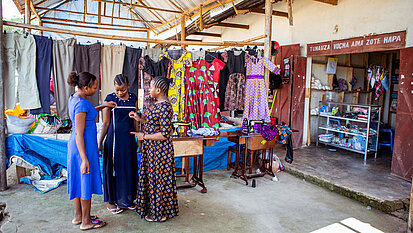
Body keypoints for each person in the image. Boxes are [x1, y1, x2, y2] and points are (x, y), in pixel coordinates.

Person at [67, 71, 116, 230]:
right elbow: (79, 133)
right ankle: (86, 222)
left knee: (78, 182)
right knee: (84, 183)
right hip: (83, 148)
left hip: (77, 147)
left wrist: (104, 106)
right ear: (86, 87)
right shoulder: (81, 104)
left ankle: (79, 216)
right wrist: (84, 159)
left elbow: (87, 111)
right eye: (94, 88)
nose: (96, 90)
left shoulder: (76, 98)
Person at [129, 76, 179, 222]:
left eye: (150, 87)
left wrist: (143, 136)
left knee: (159, 180)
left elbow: (164, 134)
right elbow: (153, 123)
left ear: (158, 90)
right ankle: (155, 209)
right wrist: (139, 119)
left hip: (160, 151)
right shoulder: (158, 104)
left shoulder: (165, 107)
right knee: (152, 179)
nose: (148, 90)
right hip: (152, 149)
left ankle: (161, 213)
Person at [99, 74, 138, 214]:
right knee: (114, 169)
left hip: (128, 140)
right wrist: (100, 142)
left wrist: (138, 137)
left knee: (128, 168)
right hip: (114, 140)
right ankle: (111, 201)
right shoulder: (109, 99)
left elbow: (135, 120)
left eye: (122, 90)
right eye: (117, 90)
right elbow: (106, 123)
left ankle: (127, 199)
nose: (120, 93)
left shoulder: (133, 98)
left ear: (128, 86)